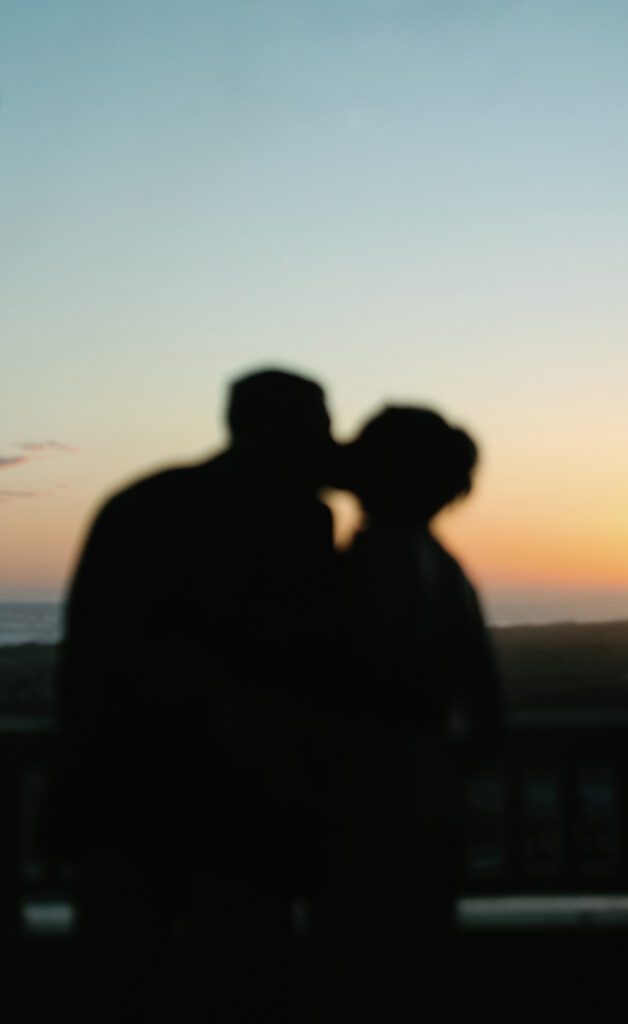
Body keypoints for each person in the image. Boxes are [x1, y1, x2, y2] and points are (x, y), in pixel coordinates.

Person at [54, 368, 339, 1022]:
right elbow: (305, 664)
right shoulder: (293, 517)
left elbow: (88, 659)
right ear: (294, 429)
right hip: (243, 806)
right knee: (245, 983)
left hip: (117, 795)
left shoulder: (138, 501)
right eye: (320, 423)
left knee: (118, 982)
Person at [326, 406, 504, 1023]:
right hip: (426, 805)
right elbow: (488, 719)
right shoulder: (445, 566)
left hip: (374, 813)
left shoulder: (378, 564)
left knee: (370, 979)